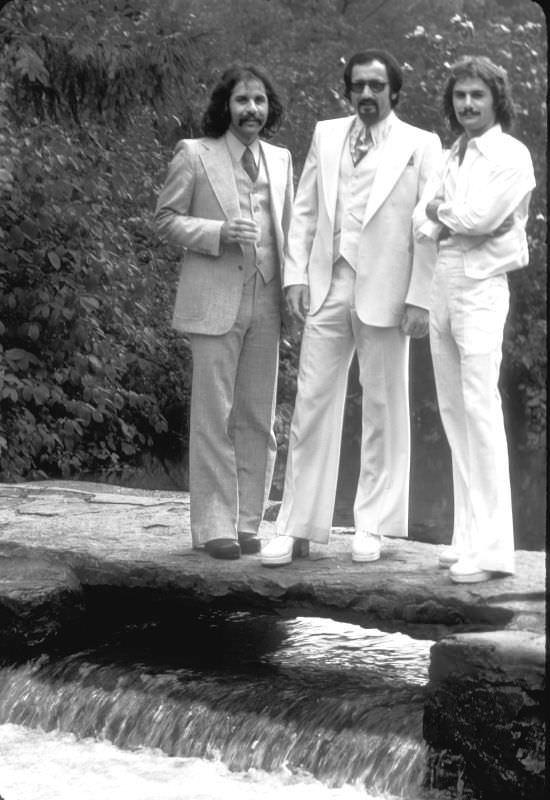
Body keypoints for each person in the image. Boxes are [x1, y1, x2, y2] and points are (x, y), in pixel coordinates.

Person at [261, 50, 441, 567]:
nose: (367, 94)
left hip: (388, 290)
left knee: (384, 407)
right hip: (329, 282)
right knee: (310, 404)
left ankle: (373, 525)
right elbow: (307, 210)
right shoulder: (326, 133)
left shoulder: (420, 144)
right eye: (358, 85)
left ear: (394, 92)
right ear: (348, 91)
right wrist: (296, 276)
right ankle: (294, 527)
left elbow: (427, 230)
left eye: (377, 86)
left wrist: (420, 298)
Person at [154, 64, 293, 560]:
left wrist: (295, 290)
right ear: (225, 107)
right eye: (241, 101)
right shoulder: (195, 154)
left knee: (258, 417)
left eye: (258, 101)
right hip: (213, 302)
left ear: (268, 107)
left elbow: (290, 233)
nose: (251, 109)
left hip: (267, 300)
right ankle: (215, 525)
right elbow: (166, 220)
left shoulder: (281, 159)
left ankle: (249, 522)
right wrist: (216, 234)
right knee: (215, 416)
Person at [413, 56, 535, 583]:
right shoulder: (453, 151)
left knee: (481, 410)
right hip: (443, 276)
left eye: (477, 96)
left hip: (482, 285)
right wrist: (444, 214)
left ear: (495, 100)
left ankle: (494, 551)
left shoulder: (512, 154)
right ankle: (466, 535)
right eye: (460, 96)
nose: (467, 104)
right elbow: (423, 215)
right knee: (453, 409)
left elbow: (478, 219)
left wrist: (445, 213)